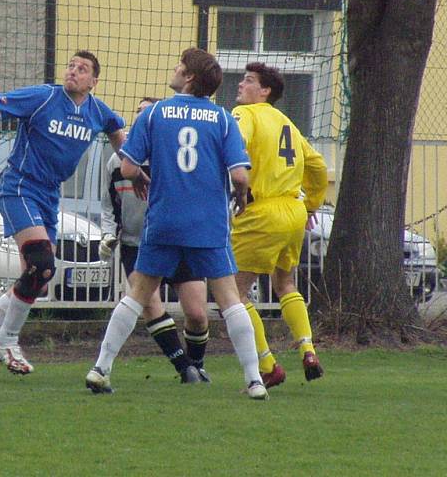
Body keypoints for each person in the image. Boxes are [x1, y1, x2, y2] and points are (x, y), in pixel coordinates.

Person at [0, 50, 137, 383]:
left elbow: (121, 140)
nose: (73, 71)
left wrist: (140, 175)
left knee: (36, 275)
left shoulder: (97, 112)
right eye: (71, 66)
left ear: (94, 81)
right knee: (43, 263)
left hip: (48, 195)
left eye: (82, 69)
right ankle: (7, 341)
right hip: (20, 187)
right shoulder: (45, 97)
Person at [86, 47, 267, 400]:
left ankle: (101, 368)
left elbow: (125, 168)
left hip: (165, 220)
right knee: (229, 299)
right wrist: (241, 197)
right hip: (208, 223)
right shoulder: (223, 118)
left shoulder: (154, 114)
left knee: (137, 294)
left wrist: (139, 175)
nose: (174, 68)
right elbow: (241, 175)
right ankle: (254, 381)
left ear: (188, 77)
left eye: (179, 66)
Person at [99, 97, 212, 384]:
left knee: (197, 313)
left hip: (179, 241)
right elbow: (109, 204)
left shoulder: (172, 155)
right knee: (148, 304)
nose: (141, 117)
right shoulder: (118, 161)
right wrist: (108, 233)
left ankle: (197, 364)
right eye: (137, 112)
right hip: (137, 244)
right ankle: (185, 368)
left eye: (147, 112)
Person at [230, 62, 328, 388]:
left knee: (234, 292)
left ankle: (268, 364)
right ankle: (308, 349)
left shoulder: (247, 114)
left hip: (262, 212)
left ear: (265, 91)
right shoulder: (288, 123)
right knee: (285, 283)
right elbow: (317, 166)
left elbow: (235, 143)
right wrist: (311, 204)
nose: (241, 85)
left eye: (248, 81)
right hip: (294, 211)